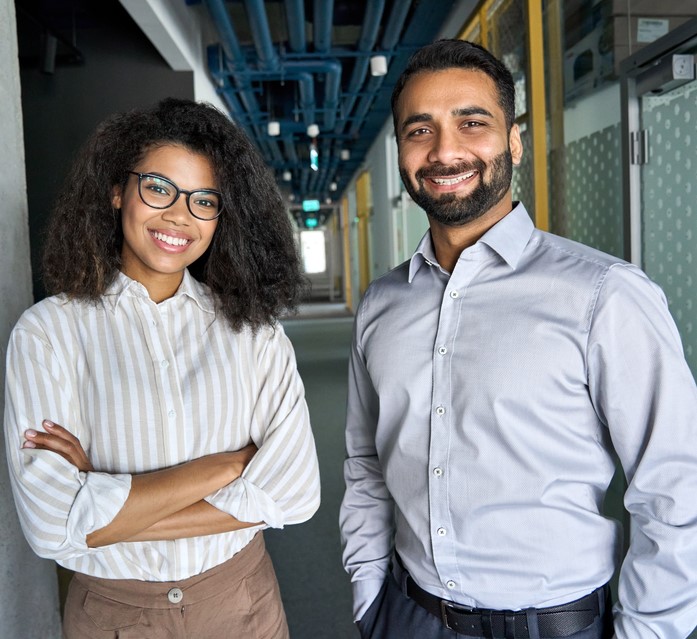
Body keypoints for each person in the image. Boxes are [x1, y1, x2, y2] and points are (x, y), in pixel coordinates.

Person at [339, 39, 697, 639]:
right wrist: (369, 594)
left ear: (513, 141)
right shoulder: (381, 306)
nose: (445, 150)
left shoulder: (605, 295)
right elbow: (367, 463)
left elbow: (677, 483)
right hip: (408, 614)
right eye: (419, 130)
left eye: (472, 123)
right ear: (402, 151)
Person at [4, 98, 320, 638]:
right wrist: (230, 466)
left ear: (223, 215)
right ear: (116, 190)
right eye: (158, 188)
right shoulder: (48, 333)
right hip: (113, 616)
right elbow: (49, 527)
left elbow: (295, 494)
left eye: (204, 200)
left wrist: (101, 507)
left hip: (243, 602)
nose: (179, 215)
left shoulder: (253, 331)